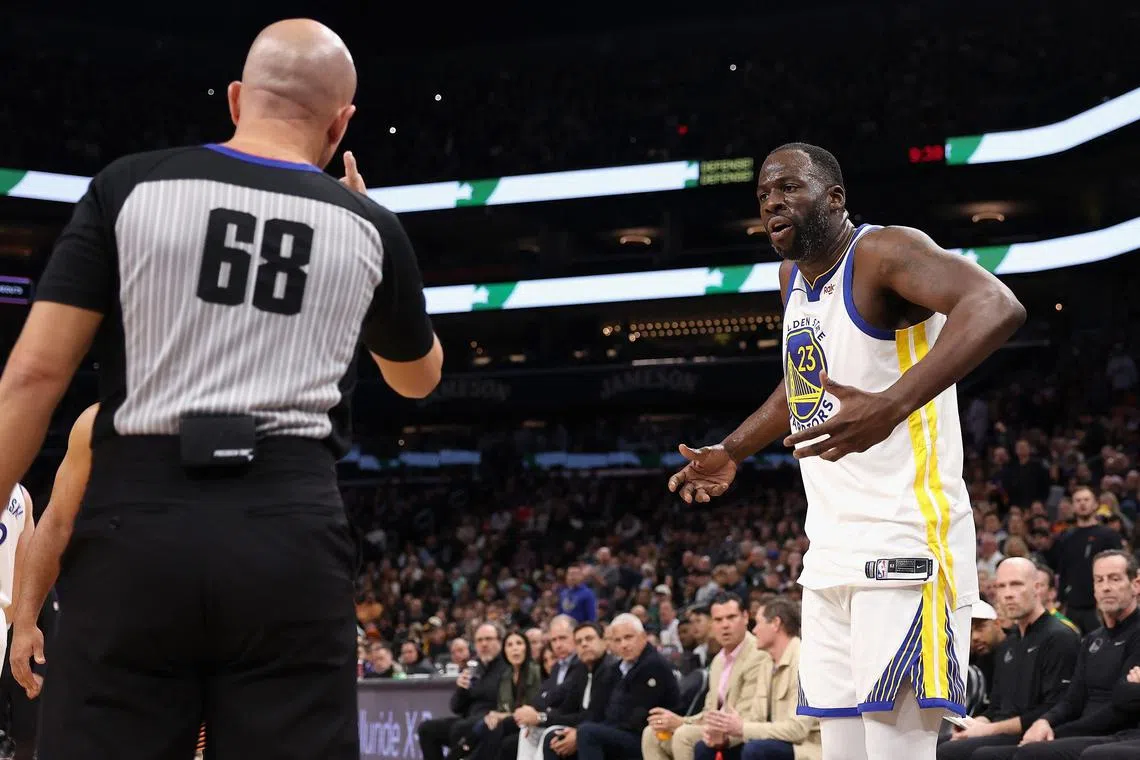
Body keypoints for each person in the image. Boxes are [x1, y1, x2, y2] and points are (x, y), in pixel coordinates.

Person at [0, 18, 444, 760]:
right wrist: (365, 250)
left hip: (135, 528)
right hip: (289, 533)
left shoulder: (129, 186)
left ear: (237, 99)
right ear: (341, 124)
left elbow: (33, 377)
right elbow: (417, 379)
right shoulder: (367, 226)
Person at [668, 142, 1026, 760]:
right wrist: (734, 449)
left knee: (896, 752)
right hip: (829, 552)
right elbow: (801, 380)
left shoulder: (886, 251)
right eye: (763, 195)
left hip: (907, 541)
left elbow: (997, 305)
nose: (772, 203)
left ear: (834, 198)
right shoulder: (792, 281)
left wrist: (892, 404)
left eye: (788, 188)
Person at [937, 558, 1081, 760]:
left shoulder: (1060, 637)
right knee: (938, 742)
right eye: (1001, 587)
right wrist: (976, 723)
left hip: (1036, 733)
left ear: (1037, 588)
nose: (1008, 594)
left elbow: (1054, 707)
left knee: (960, 752)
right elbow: (996, 706)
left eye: (1016, 584)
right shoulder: (1009, 643)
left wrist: (989, 729)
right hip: (1002, 731)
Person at [1005, 551, 1140, 759]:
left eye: (1114, 579)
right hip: (1085, 734)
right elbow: (1072, 700)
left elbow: (1122, 704)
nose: (1106, 587)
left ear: (1135, 585)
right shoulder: (1092, 639)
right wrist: (1045, 721)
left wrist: (1059, 733)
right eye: (1099, 580)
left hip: (1119, 733)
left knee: (1030, 753)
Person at [642, 593, 766, 760]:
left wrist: (682, 725)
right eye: (718, 620)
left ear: (745, 617)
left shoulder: (757, 654)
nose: (725, 625)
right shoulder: (718, 661)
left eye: (731, 617)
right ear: (712, 624)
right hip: (713, 727)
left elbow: (747, 716)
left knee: (683, 735)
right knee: (653, 732)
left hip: (740, 731)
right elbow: (709, 711)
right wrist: (679, 720)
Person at [696, 596, 822, 760]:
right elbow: (755, 719)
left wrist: (742, 728)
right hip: (773, 742)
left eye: (759, 623)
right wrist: (727, 736)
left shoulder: (803, 661)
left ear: (776, 624)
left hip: (806, 747)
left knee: (756, 750)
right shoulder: (767, 662)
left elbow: (797, 730)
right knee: (705, 749)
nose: (754, 631)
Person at [575, 614, 681, 760]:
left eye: (629, 637)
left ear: (643, 637)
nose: (624, 644)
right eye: (618, 640)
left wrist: (597, 729)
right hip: (619, 732)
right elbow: (598, 709)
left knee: (587, 733)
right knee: (560, 738)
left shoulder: (654, 665)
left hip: (648, 737)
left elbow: (636, 718)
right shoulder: (616, 669)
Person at [514, 621, 619, 760]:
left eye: (589, 639)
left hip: (605, 730)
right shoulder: (581, 669)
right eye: (579, 641)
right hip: (584, 726)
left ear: (604, 641)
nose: (584, 644)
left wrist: (541, 718)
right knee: (529, 730)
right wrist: (532, 712)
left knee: (553, 736)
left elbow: (593, 715)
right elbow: (559, 698)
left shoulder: (610, 669)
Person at [420, 623, 508, 760]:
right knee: (427, 729)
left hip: (490, 721)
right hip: (468, 720)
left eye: (489, 639)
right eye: (479, 640)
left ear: (499, 641)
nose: (484, 644)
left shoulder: (507, 667)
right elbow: (455, 707)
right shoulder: (474, 667)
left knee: (460, 728)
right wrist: (461, 689)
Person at [1052, 488, 1123, 634]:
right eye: (1078, 501)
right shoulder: (1066, 537)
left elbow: (1120, 568)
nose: (1082, 504)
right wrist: (1060, 598)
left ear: (1095, 504)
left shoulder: (1108, 535)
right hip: (1072, 606)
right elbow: (1063, 570)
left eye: (1086, 500)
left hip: (1099, 605)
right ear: (1072, 506)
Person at [467, 631, 543, 760]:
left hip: (530, 724)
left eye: (519, 643)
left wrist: (500, 716)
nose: (515, 648)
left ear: (526, 648)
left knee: (497, 729)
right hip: (510, 723)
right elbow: (502, 707)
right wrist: (494, 715)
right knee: (487, 724)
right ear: (505, 651)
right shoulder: (506, 675)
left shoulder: (536, 671)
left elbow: (533, 709)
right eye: (509, 645)